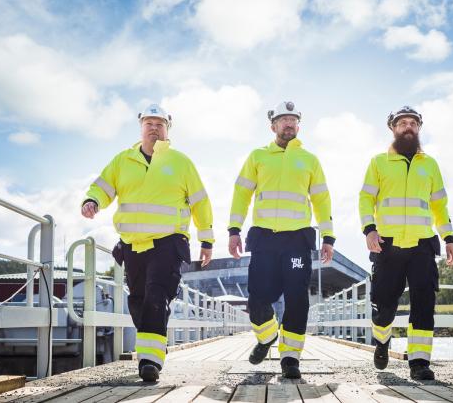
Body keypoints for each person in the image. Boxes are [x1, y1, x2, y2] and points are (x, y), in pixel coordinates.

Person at [81, 104, 214, 382]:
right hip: (133, 246)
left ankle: (149, 361)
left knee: (157, 294)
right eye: (149, 124)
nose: (154, 128)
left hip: (169, 242)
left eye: (160, 124)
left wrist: (206, 239)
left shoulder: (180, 162)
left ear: (168, 129)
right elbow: (103, 187)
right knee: (138, 300)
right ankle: (154, 344)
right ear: (141, 127)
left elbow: (201, 202)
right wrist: (92, 200)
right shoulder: (122, 161)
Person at [228, 101, 335, 379]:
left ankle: (290, 358)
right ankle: (266, 337)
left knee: (297, 299)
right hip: (264, 238)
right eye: (283, 120)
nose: (288, 124)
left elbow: (322, 200)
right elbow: (241, 194)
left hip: (297, 238)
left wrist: (328, 236)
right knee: (258, 298)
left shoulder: (310, 160)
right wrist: (234, 229)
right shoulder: (257, 156)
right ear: (272, 126)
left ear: (299, 125)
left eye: (293, 120)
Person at [359, 105, 453, 381]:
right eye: (402, 123)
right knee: (384, 306)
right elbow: (366, 199)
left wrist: (449, 237)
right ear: (393, 129)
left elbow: (440, 205)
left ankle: (419, 362)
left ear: (419, 128)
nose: (408, 127)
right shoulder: (379, 162)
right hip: (387, 245)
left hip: (422, 245)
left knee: (424, 303)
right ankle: (382, 341)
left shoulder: (430, 165)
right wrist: (369, 229)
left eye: (413, 123)